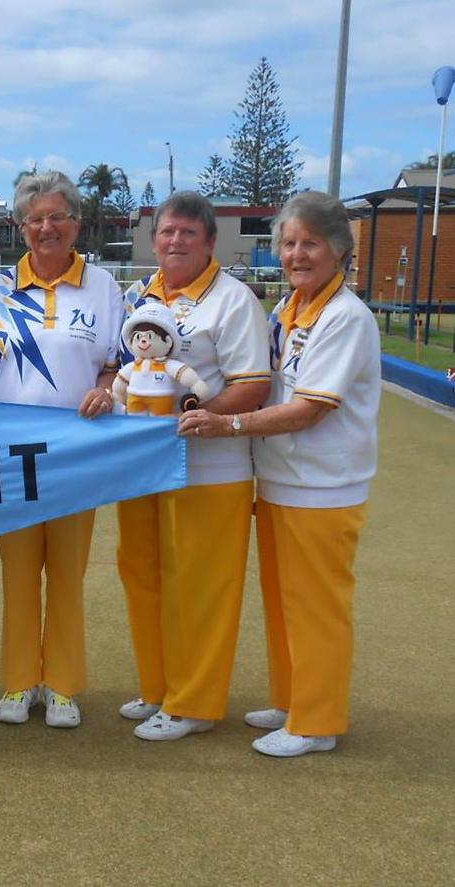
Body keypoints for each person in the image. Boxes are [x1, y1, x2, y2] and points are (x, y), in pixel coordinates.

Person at [179, 191, 379, 757]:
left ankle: (317, 722)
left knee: (316, 605)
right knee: (284, 599)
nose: (297, 254)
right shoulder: (288, 310)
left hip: (325, 485)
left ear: (339, 247)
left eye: (310, 243)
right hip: (282, 480)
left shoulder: (345, 317)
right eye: (289, 244)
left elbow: (312, 408)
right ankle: (293, 699)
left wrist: (231, 426)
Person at [0, 170, 123, 728]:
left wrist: (105, 390)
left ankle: (63, 686)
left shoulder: (104, 287)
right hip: (12, 458)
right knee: (19, 571)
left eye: (57, 217)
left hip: (78, 455)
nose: (46, 228)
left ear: (76, 224)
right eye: (35, 219)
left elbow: (113, 365)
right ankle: (19, 682)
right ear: (21, 227)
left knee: (67, 574)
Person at [117, 191, 270, 741]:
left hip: (210, 468)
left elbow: (254, 384)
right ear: (154, 240)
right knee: (143, 574)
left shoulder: (233, 300)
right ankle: (159, 687)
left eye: (187, 233)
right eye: (167, 232)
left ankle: (195, 703)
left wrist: (203, 413)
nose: (175, 241)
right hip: (141, 466)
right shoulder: (140, 293)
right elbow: (123, 366)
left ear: (210, 242)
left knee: (201, 587)